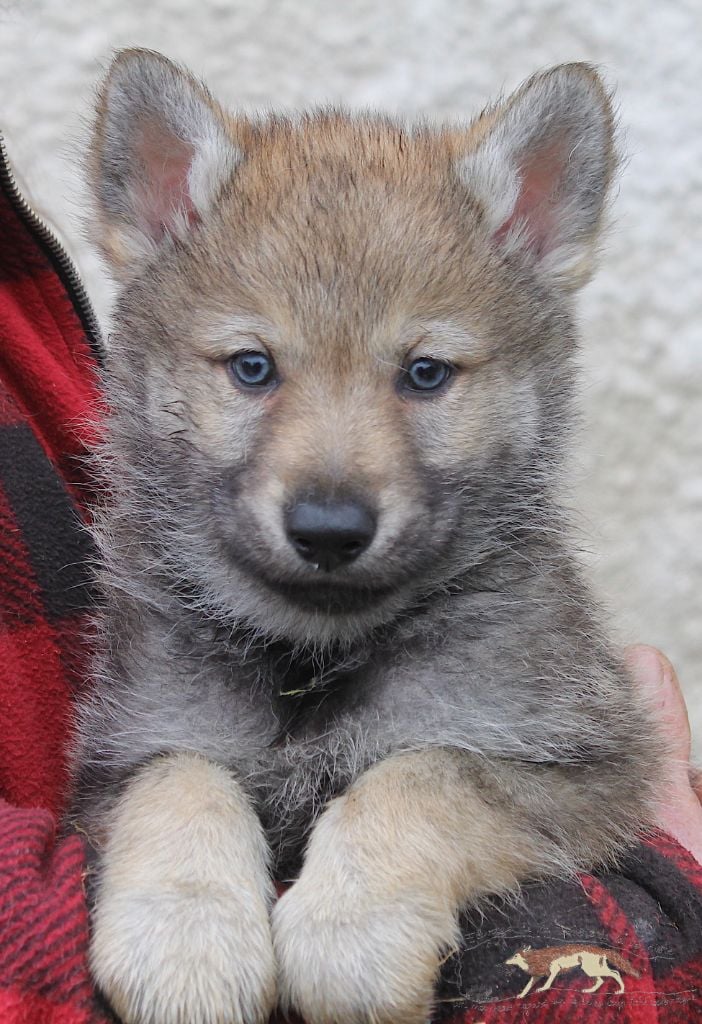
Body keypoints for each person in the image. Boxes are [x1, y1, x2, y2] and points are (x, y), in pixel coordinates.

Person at [1, 136, 700, 1024]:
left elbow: (593, 775)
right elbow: (104, 782)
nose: (333, 489)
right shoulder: (159, 593)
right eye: (251, 368)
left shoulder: (513, 619)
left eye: (426, 373)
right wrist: (173, 818)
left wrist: (419, 831)